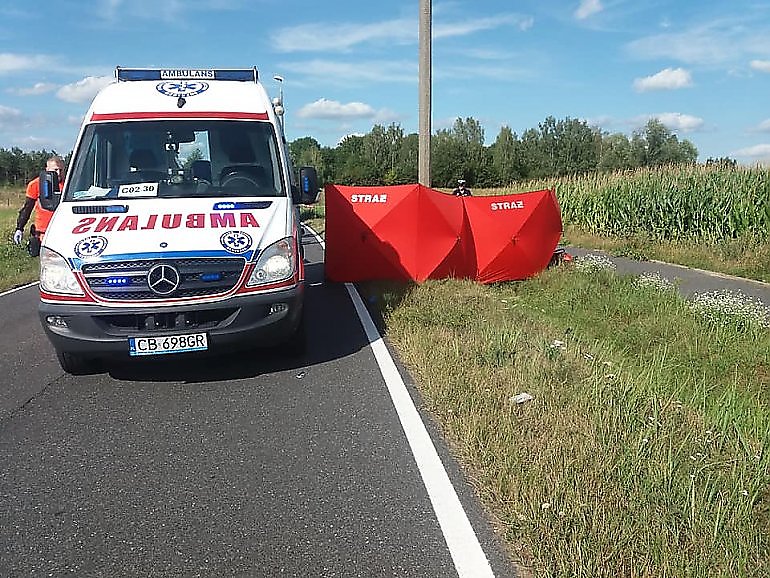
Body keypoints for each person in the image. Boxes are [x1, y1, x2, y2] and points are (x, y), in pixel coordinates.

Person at [13, 155, 65, 255]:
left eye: (61, 170)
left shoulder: (70, 184)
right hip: (43, 233)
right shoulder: (36, 184)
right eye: (55, 170)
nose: (58, 173)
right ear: (47, 169)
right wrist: (19, 228)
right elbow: (27, 208)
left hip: (64, 231)